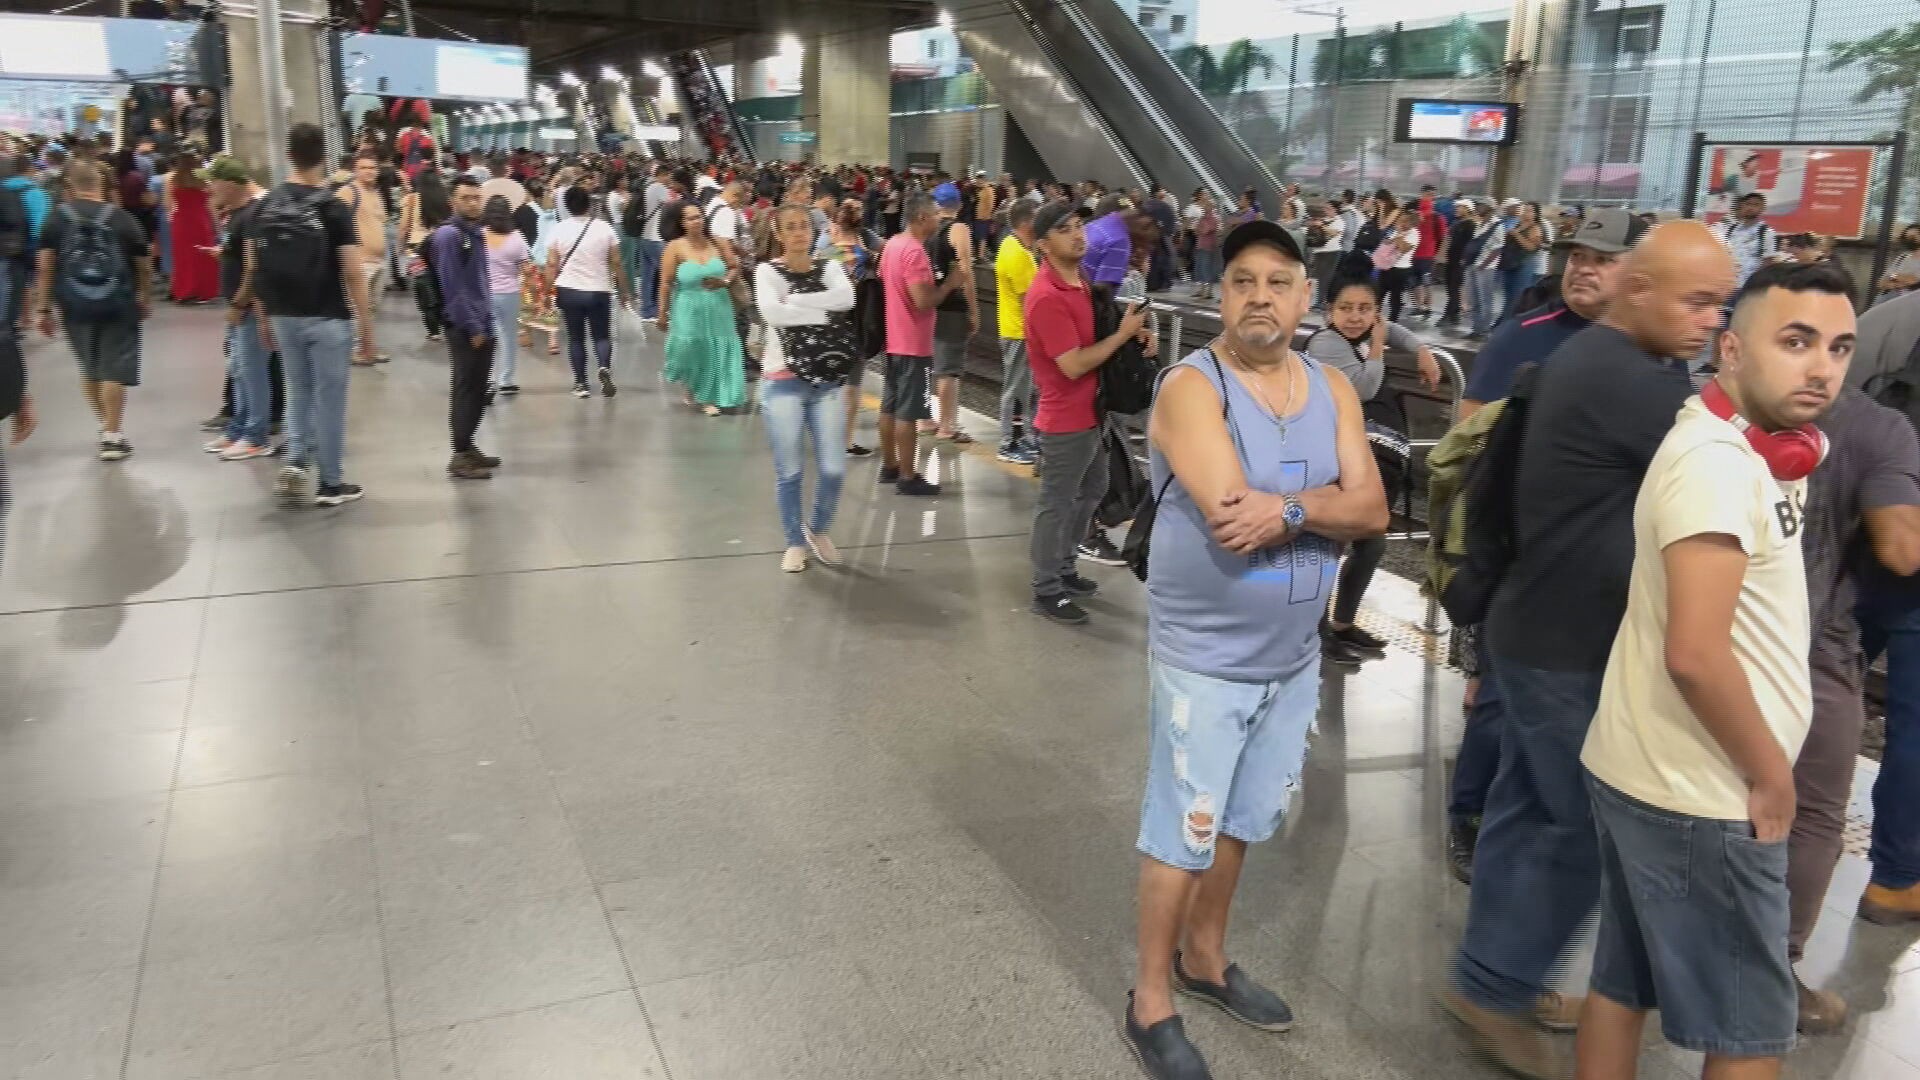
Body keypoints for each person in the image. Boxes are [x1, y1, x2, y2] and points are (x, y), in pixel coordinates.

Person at [1440, 223, 1734, 1078]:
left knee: (1531, 808)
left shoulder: (1627, 364)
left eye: (1722, 303)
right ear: (1635, 290)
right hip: (1566, 645)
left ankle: (1492, 976)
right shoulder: (1621, 376)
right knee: (1578, 824)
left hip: (1542, 629)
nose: (1712, 322)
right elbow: (1733, 450)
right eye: (1697, 301)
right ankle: (1495, 987)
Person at [1576, 260, 1855, 1080]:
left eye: (1838, 348)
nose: (1822, 367)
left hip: (1649, 770)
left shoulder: (1752, 452)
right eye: (1796, 341)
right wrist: (1771, 777)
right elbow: (1696, 653)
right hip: (1704, 792)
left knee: (1620, 981)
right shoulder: (1717, 466)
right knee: (1750, 1029)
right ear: (1731, 351)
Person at [1126, 219, 1387, 1080]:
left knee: (1242, 819)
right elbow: (1232, 517)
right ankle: (1149, 998)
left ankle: (1205, 958)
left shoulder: (1332, 390)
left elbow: (1374, 511)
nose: (1261, 297)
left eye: (1280, 281)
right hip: (1206, 657)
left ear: (1306, 298)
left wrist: (1294, 509)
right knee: (1184, 826)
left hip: (1293, 656)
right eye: (1243, 281)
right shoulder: (1191, 389)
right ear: (1222, 294)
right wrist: (1317, 504)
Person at [1445, 208, 1647, 881]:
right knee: (1499, 704)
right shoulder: (1521, 339)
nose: (1583, 268)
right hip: (1525, 567)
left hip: (1610, 575)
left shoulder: (1650, 356)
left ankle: (1547, 822)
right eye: (1576, 256)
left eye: (1602, 258)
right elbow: (1467, 450)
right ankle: (1468, 818)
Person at [1786, 369, 1920, 1033]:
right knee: (1903, 735)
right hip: (1892, 562)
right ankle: (1895, 880)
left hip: (1838, 566)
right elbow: (1903, 547)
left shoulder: (1883, 322)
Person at [1023, 202, 1152, 624]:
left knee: (1094, 489)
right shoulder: (1046, 296)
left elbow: (1098, 331)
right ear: (1043, 244)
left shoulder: (1079, 281)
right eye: (1065, 230)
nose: (1078, 235)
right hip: (1064, 418)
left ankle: (1063, 565)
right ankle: (1046, 588)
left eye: (1080, 226)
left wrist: (1135, 336)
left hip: (1093, 412)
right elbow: (1074, 364)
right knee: (1056, 504)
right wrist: (1123, 335)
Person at [1302, 276, 1440, 663]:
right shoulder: (1325, 343)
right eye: (1345, 308)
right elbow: (1364, 387)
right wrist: (1378, 345)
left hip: (1368, 455)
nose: (1354, 317)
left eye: (1365, 309)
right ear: (1328, 311)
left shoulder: (1367, 330)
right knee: (1333, 542)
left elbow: (1395, 329)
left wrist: (1422, 349)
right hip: (1338, 457)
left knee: (1372, 540)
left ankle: (1343, 625)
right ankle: (1315, 631)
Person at [250, 122, 374, 509]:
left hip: (284, 314)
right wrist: (366, 328)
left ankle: (296, 460)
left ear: (288, 155)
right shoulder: (333, 208)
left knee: (297, 389)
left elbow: (255, 266)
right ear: (323, 158)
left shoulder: (265, 205)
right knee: (330, 399)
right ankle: (331, 484)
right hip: (327, 315)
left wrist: (263, 315)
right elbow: (353, 272)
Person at [756, 203, 856, 573]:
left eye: (804, 226)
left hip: (826, 380)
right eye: (791, 227)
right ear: (779, 235)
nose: (800, 232)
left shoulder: (828, 267)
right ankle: (794, 540)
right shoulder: (766, 272)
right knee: (791, 471)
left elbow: (847, 300)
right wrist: (820, 311)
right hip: (783, 383)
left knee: (833, 468)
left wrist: (795, 301)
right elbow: (771, 313)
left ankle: (819, 528)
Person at [31, 159, 150, 461]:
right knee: (114, 368)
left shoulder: (56, 220)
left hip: (74, 305)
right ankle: (112, 435)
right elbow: (143, 263)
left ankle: (104, 425)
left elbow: (45, 268)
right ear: (101, 185)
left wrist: (43, 308)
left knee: (90, 367)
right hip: (117, 303)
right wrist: (143, 296)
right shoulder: (122, 219)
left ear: (69, 187)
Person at [876, 194, 964, 497]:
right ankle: (908, 474)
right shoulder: (915, 252)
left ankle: (889, 465)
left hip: (894, 338)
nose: (940, 219)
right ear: (923, 218)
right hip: (914, 343)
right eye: (936, 214)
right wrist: (949, 285)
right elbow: (923, 300)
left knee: (889, 406)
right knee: (908, 412)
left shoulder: (892, 245)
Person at [428, 177, 501, 480]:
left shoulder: (476, 233)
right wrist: (472, 326)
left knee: (477, 389)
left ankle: (468, 446)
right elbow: (452, 287)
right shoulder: (448, 236)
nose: (473, 202)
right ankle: (459, 455)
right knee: (465, 389)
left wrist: (487, 320)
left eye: (476, 197)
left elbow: (480, 281)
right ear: (453, 201)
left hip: (483, 320)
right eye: (466, 197)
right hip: (465, 326)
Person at [202, 156, 274, 461]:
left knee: (252, 373)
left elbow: (254, 269)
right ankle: (240, 427)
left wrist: (240, 303)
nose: (208, 188)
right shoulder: (238, 215)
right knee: (241, 372)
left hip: (246, 309)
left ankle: (255, 435)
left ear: (230, 184)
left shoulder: (252, 216)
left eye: (213, 182)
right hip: (239, 309)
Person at [658, 200, 748, 416]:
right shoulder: (675, 247)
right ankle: (693, 384)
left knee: (716, 348)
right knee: (690, 348)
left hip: (719, 305)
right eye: (691, 218)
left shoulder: (717, 242)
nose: (697, 221)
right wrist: (662, 312)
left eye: (699, 216)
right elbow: (666, 282)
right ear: (681, 223)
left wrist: (726, 281)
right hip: (687, 306)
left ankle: (709, 396)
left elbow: (734, 266)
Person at [545, 185, 628, 399]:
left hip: (569, 290)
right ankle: (603, 367)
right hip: (599, 289)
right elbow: (617, 262)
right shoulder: (604, 228)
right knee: (601, 335)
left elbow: (552, 264)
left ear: (567, 206)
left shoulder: (559, 229)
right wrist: (624, 290)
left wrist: (547, 291)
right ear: (589, 205)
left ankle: (581, 383)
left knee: (576, 338)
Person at [816, 198, 879, 457]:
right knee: (852, 386)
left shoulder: (826, 255)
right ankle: (845, 441)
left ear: (835, 226)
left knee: (827, 382)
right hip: (858, 322)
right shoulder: (867, 257)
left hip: (829, 321)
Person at [926, 182, 979, 443]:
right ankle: (948, 425)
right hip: (951, 306)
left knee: (927, 363)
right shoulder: (958, 229)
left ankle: (925, 418)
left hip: (927, 304)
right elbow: (965, 271)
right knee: (949, 369)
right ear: (959, 205)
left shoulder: (925, 230)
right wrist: (973, 310)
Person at [994, 199, 1041, 466]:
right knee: (1015, 389)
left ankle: (1020, 436)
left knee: (1023, 389)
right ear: (1026, 223)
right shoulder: (1017, 254)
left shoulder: (1016, 247)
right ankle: (1008, 442)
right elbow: (1029, 301)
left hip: (1018, 331)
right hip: (1018, 332)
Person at [337, 150, 391, 365]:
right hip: (359, 262)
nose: (368, 172)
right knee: (355, 308)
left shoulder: (376, 193)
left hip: (378, 261)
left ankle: (368, 348)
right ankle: (352, 350)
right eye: (363, 168)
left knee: (370, 309)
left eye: (372, 168)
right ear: (355, 170)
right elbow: (336, 225)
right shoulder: (347, 192)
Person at [482, 195, 530, 397]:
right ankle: (506, 380)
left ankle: (486, 380)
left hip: (484, 293)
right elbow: (525, 269)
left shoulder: (479, 235)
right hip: (509, 293)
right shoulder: (517, 237)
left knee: (487, 337)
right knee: (508, 336)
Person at [398, 162, 452, 342]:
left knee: (424, 287)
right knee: (443, 283)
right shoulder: (446, 198)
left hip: (416, 250)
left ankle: (433, 329)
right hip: (441, 245)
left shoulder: (411, 199)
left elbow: (404, 227)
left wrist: (399, 247)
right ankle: (447, 321)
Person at [165, 152, 219, 303]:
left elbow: (168, 205)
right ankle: (205, 291)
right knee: (203, 255)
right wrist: (217, 226)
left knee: (183, 257)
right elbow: (211, 206)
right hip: (201, 221)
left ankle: (185, 291)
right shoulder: (203, 180)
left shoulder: (172, 179)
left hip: (181, 222)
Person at [1714, 192, 1775, 292]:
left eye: (1755, 204)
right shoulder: (1731, 229)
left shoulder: (1766, 232)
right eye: (1748, 204)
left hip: (1749, 287)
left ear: (1762, 209)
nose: (1750, 207)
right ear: (1742, 206)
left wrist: (1755, 283)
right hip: (1727, 284)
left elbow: (1768, 262)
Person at [634, 164, 672, 320]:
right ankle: (663, 309)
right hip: (657, 238)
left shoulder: (648, 188)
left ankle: (647, 309)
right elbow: (670, 206)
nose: (670, 179)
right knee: (667, 275)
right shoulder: (660, 188)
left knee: (647, 275)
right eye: (668, 176)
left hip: (645, 236)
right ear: (663, 175)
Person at [1466, 199, 1507, 338]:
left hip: (1485, 267)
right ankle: (1476, 328)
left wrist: (1483, 265)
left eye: (1481, 205)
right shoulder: (1480, 223)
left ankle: (1483, 329)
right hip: (1473, 264)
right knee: (1473, 299)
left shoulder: (1497, 225)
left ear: (1489, 208)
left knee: (1485, 299)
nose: (1478, 208)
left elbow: (1497, 248)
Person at [1498, 200, 1544, 316]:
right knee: (1508, 295)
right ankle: (1502, 321)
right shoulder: (1518, 224)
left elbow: (1532, 247)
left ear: (1535, 214)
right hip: (1511, 262)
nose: (1525, 213)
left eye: (1529, 211)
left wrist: (1516, 235)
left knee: (1517, 296)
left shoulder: (1535, 228)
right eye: (1524, 210)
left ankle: (1509, 323)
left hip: (1524, 263)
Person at [1440, 199, 1478, 329]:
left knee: (1454, 287)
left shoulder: (1471, 225)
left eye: (1460, 207)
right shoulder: (1457, 223)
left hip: (1460, 260)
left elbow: (1471, 244)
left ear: (1468, 209)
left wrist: (1464, 258)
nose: (1457, 210)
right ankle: (1454, 313)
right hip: (1452, 258)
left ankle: (1448, 314)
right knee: (1450, 286)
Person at [1378, 208, 1419, 323]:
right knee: (1379, 294)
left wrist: (1400, 235)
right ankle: (1374, 318)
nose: (1400, 222)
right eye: (1400, 220)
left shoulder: (1414, 234)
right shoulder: (1397, 231)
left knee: (1395, 297)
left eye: (1404, 221)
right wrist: (1394, 236)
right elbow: (1386, 243)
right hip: (1386, 266)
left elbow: (1403, 249)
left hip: (1400, 269)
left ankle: (1393, 321)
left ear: (1411, 223)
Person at [1875, 223, 1920, 303]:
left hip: (1910, 305)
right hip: (1886, 302)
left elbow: (1913, 280)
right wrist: (1894, 281)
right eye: (1906, 237)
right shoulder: (1902, 258)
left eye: (1912, 237)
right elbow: (1881, 282)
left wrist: (1893, 277)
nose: (1908, 239)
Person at [1189, 192, 1222, 303]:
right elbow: (1196, 230)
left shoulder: (1213, 218)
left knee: (1206, 268)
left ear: (1211, 207)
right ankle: (1202, 289)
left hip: (1208, 246)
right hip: (1200, 244)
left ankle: (1209, 291)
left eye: (1206, 204)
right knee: (1200, 268)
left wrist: (1200, 228)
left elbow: (1204, 230)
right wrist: (1199, 228)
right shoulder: (1203, 217)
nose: (1203, 206)